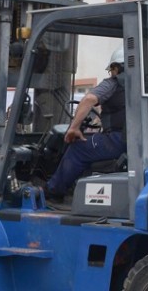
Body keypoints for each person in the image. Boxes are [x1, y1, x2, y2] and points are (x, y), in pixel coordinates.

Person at [45, 48, 127, 199]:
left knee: (78, 148)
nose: (111, 74)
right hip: (140, 144)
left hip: (118, 140)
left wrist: (74, 128)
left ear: (116, 67)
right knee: (91, 144)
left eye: (112, 70)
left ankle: (53, 191)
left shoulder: (113, 83)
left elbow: (89, 99)